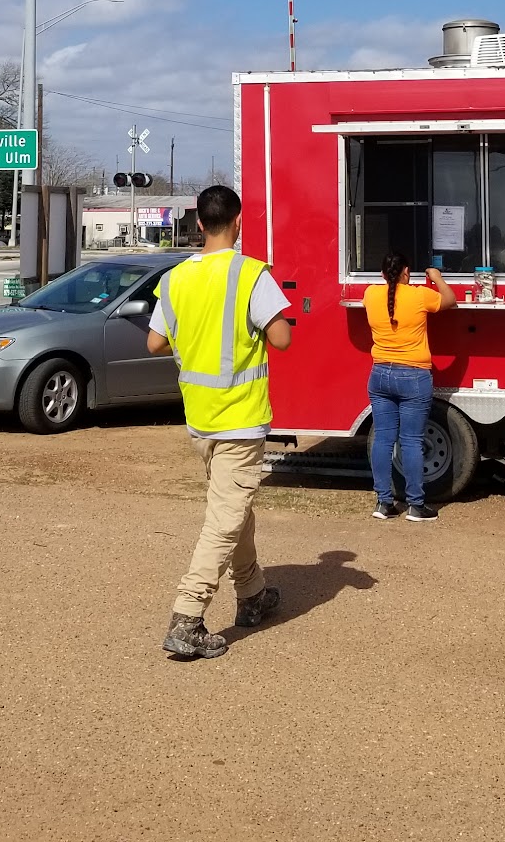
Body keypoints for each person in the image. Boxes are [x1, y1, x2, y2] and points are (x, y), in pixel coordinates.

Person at [146, 184, 293, 659]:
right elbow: (282, 338)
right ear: (238, 222)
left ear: (198, 224)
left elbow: (154, 344)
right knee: (224, 519)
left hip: (201, 420)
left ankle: (253, 596)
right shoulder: (251, 274)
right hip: (241, 418)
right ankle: (188, 616)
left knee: (235, 511)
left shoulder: (173, 280)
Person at [361, 252, 458, 521]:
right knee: (412, 441)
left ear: (382, 275)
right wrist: (437, 277)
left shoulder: (371, 294)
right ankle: (416, 505)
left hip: (380, 374)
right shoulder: (418, 296)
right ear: (406, 272)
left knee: (383, 439)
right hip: (414, 376)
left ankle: (383, 503)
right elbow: (450, 300)